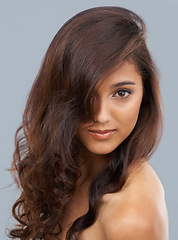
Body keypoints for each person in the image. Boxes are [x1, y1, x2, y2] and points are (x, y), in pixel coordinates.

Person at [9, 6, 169, 240]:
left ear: (144, 95)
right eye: (85, 93)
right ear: (59, 95)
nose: (101, 115)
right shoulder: (70, 172)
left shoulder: (131, 214)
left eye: (122, 93)